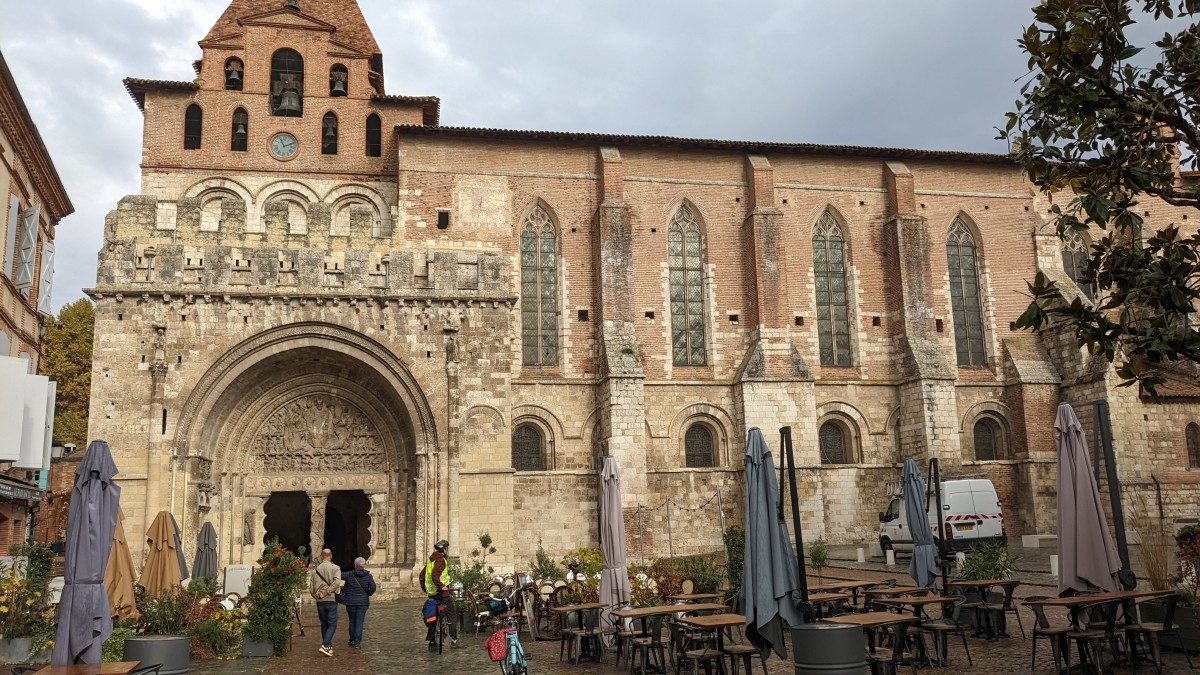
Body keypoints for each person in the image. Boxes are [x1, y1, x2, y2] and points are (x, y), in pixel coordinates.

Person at [419, 539, 460, 649]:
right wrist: (442, 586)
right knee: (452, 615)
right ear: (445, 550)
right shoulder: (441, 560)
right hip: (442, 594)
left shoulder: (431, 561)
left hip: (432, 594)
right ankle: (454, 640)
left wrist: (426, 589)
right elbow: (434, 575)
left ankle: (432, 641)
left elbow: (421, 576)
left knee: (434, 617)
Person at [308, 548, 343, 657]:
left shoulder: (315, 570)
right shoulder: (336, 568)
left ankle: (328, 647)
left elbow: (311, 587)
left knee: (324, 624)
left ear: (322, 556)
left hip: (320, 601)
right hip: (331, 599)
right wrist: (327, 592)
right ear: (331, 556)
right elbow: (337, 582)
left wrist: (317, 596)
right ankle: (325, 645)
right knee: (332, 624)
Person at [339, 557, 377, 649]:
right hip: (363, 603)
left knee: (352, 621)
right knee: (359, 622)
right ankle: (357, 642)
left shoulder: (349, 574)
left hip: (351, 602)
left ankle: (352, 640)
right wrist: (367, 594)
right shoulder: (368, 576)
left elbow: (337, 575)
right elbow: (373, 588)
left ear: (355, 565)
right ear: (363, 565)